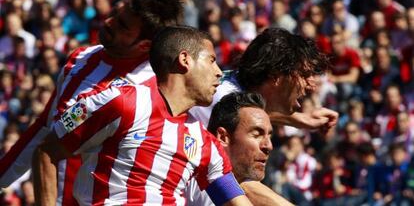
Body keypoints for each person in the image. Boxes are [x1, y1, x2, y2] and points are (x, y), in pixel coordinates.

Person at [0, 0, 184, 206]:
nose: (108, 22)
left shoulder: (154, 91)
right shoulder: (80, 59)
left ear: (145, 45)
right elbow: (44, 127)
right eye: (115, 13)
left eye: (122, 25)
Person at [33, 26, 252, 206]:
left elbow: (235, 200)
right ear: (185, 59)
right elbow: (47, 151)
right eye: (212, 60)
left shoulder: (206, 145)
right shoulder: (121, 101)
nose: (218, 72)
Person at [190, 27, 338, 131]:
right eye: (304, 75)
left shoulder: (235, 89)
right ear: (276, 76)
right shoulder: (224, 102)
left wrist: (303, 119)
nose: (311, 85)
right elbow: (243, 116)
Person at [187, 91, 294, 206]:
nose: (269, 146)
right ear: (223, 137)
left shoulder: (240, 182)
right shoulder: (201, 181)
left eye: (270, 136)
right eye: (257, 134)